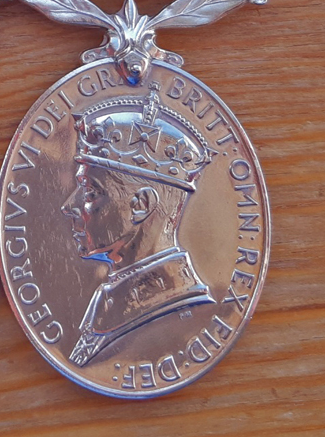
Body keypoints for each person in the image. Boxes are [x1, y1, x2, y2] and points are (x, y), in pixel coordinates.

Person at [62, 82, 216, 366]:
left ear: (141, 205)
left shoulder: (177, 319)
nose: (69, 206)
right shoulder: (112, 300)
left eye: (91, 192)